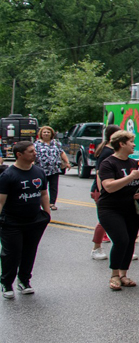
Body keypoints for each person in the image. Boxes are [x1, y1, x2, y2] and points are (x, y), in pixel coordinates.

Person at [0, 141, 51, 299]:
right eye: (31, 151)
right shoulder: (8, 175)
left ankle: (24, 281)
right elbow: (1, 201)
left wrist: (47, 214)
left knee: (30, 252)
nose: (35, 153)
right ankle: (7, 283)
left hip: (34, 221)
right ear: (19, 155)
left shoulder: (39, 172)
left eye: (34, 151)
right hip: (12, 223)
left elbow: (43, 193)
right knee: (12, 254)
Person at [97, 130, 139, 291]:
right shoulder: (108, 163)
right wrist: (131, 177)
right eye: (131, 141)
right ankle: (114, 275)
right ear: (121, 144)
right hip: (110, 208)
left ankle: (124, 274)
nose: (134, 144)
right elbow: (108, 187)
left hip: (131, 208)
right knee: (121, 240)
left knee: (130, 241)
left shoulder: (134, 163)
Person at [90, 124, 121, 261]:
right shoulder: (107, 152)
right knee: (104, 220)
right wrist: (103, 192)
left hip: (112, 190)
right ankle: (96, 248)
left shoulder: (111, 151)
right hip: (101, 190)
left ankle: (122, 247)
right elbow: (99, 174)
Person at [34, 126, 71, 210]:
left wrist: (67, 162)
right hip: (41, 169)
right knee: (42, 187)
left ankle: (52, 203)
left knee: (53, 187)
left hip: (54, 169)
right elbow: (33, 155)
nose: (46, 134)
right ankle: (41, 204)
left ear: (51, 134)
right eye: (44, 132)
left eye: (48, 132)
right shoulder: (36, 144)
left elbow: (62, 153)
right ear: (41, 134)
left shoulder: (56, 143)